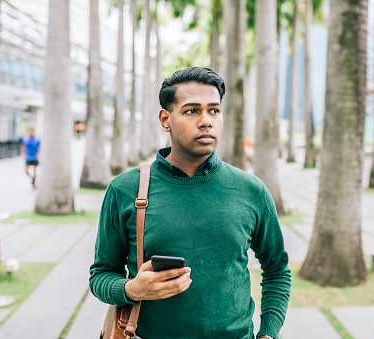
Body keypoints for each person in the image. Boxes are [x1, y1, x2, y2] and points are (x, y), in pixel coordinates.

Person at [90, 67, 291, 339]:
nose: (206, 121)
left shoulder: (251, 190)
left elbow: (277, 269)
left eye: (214, 110)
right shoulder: (125, 189)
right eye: (192, 111)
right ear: (166, 119)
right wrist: (131, 290)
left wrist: (269, 334)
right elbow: (101, 274)